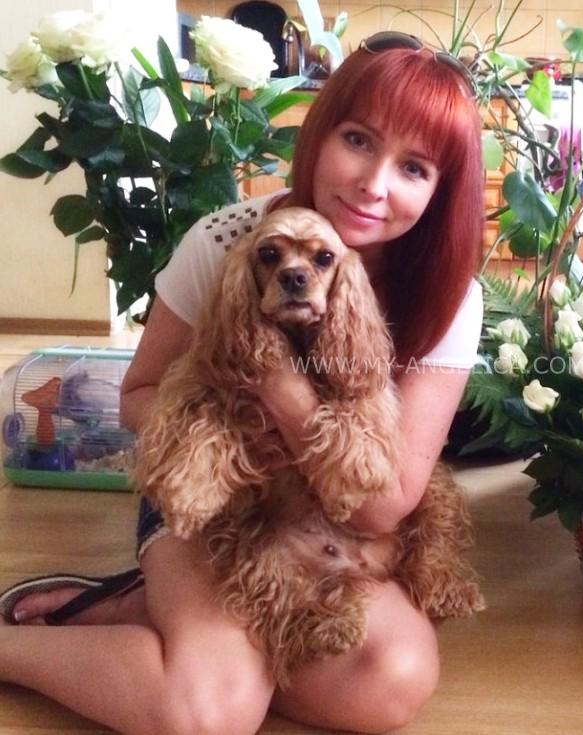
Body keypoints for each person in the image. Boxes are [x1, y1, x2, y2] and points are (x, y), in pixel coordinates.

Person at [0, 33, 484, 735]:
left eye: (413, 167)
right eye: (357, 140)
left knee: (393, 680)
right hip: (215, 502)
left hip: (334, 519)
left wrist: (282, 393)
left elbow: (382, 507)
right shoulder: (228, 241)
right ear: (319, 135)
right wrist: (230, 439)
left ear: (441, 191)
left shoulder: (447, 295)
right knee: (211, 715)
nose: (373, 184)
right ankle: (24, 649)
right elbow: (136, 397)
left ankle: (149, 618)